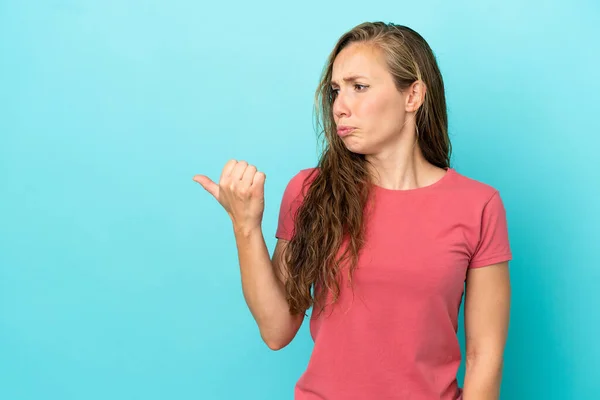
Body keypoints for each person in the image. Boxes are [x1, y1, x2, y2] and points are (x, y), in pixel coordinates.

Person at [194, 21, 512, 400]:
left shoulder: (478, 205)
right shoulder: (310, 191)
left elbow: (484, 357)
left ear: (413, 95)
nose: (340, 107)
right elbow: (277, 330)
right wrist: (245, 226)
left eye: (359, 87)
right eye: (335, 91)